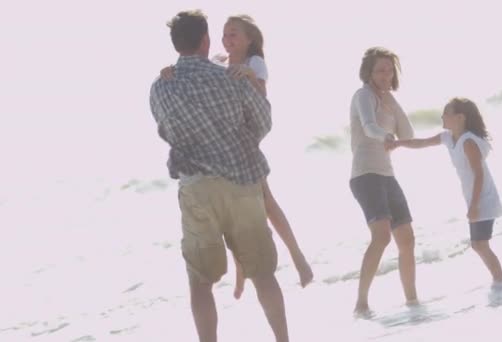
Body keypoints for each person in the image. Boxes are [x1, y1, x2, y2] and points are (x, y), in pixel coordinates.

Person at [149, 10, 289, 342]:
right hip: (242, 181)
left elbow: (165, 131)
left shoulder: (161, 86)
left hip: (197, 187)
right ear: (206, 40)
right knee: (263, 273)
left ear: (175, 43)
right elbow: (264, 123)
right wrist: (236, 138)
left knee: (201, 281)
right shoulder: (232, 77)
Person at [161, 14, 313, 299]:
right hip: (229, 149)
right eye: (225, 34)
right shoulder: (219, 61)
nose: (227, 40)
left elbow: (261, 105)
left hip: (246, 147)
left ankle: (298, 257)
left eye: (234, 35)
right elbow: (199, 76)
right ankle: (242, 277)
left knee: (266, 204)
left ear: (249, 39)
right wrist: (169, 72)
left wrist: (250, 78)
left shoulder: (254, 64)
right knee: (240, 221)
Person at [388, 98, 502, 284]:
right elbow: (422, 143)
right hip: (473, 198)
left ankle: (500, 281)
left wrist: (474, 205)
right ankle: (499, 280)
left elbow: (479, 175)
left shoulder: (468, 142)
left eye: (446, 113)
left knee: (479, 244)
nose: (442, 116)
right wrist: (399, 143)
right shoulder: (448, 138)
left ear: (460, 117)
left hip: (483, 198)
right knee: (479, 244)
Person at [349, 47, 418, 316]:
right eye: (380, 70)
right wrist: (386, 136)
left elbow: (408, 133)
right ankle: (361, 302)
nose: (386, 75)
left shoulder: (387, 98)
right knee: (381, 236)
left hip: (387, 175)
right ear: (368, 72)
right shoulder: (362, 95)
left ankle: (412, 301)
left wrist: (391, 102)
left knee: (407, 239)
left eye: (389, 70)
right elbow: (368, 125)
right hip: (365, 174)